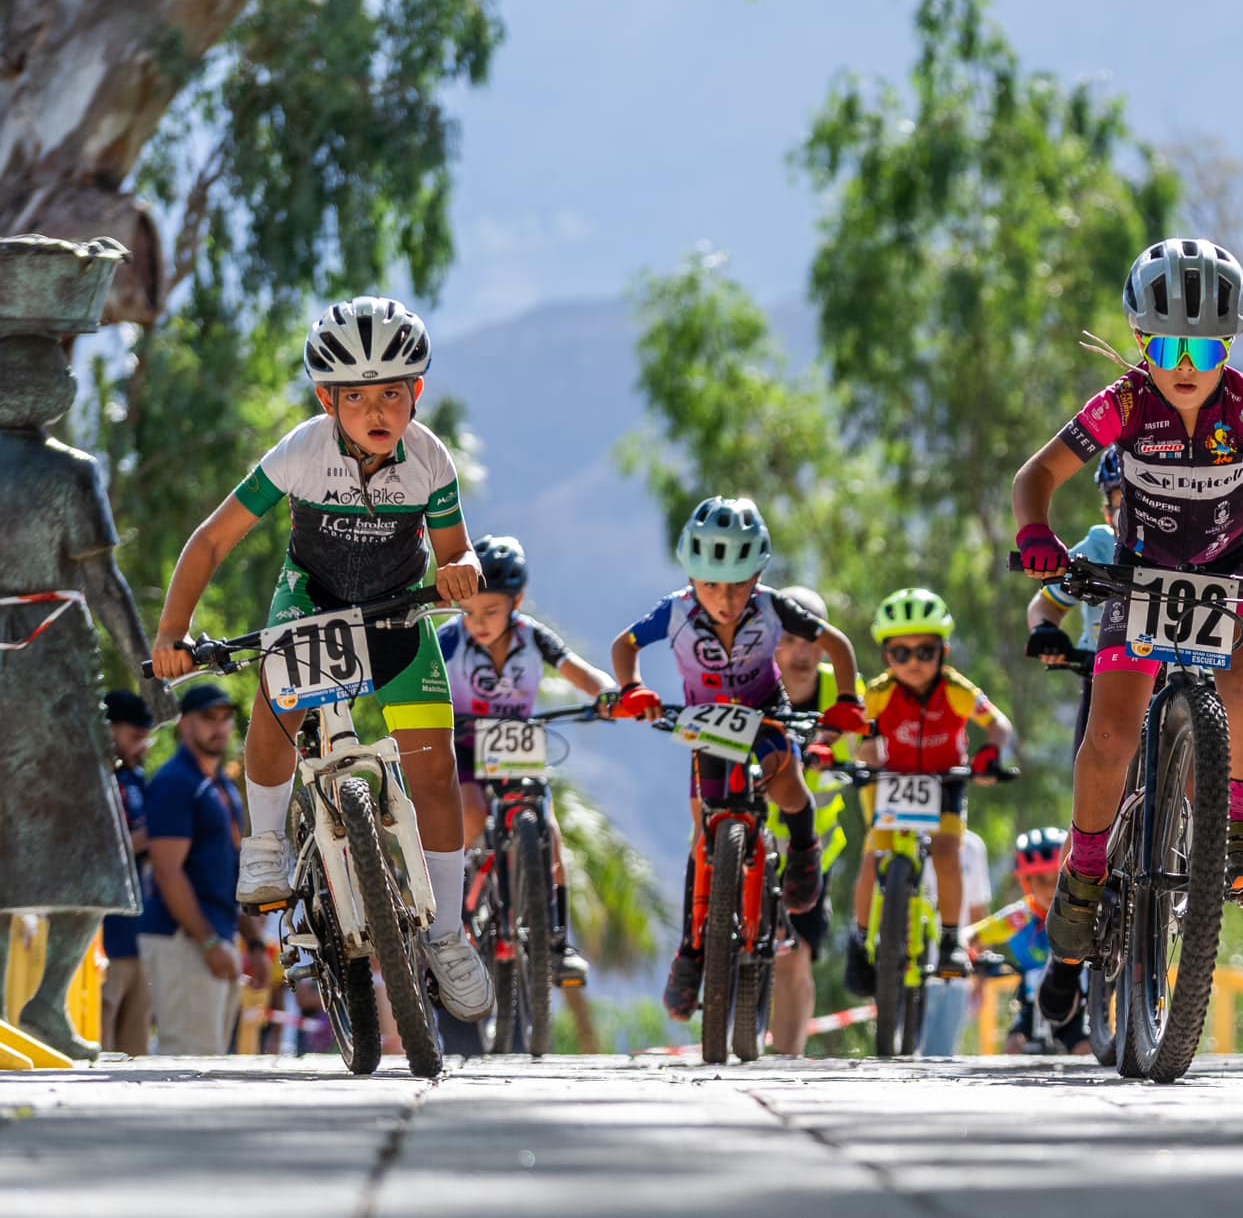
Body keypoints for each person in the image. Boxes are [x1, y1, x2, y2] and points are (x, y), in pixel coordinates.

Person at [1012, 237, 1243, 1029]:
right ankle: (1088, 871)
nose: (1185, 363)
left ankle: (1237, 828)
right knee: (1108, 739)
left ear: (1228, 344)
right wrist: (1037, 532)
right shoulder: (1123, 404)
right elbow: (1034, 477)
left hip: (1227, 568)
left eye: (1204, 347)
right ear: (1143, 341)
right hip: (1138, 573)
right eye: (1167, 345)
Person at [149, 297, 494, 1023]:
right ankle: (267, 842)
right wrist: (173, 633)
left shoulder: (430, 460)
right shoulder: (303, 451)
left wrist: (460, 567)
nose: (377, 410)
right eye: (357, 396)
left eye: (392, 394)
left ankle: (446, 936)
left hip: (397, 609)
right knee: (277, 706)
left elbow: (454, 547)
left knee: (434, 765)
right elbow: (213, 541)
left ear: (416, 394)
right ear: (325, 399)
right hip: (312, 603)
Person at [602, 496, 867, 1021]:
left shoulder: (774, 607)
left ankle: (804, 848)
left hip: (765, 710)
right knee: (705, 835)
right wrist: (630, 687)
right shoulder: (674, 610)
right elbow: (624, 644)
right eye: (711, 584)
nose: (725, 599)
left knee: (787, 782)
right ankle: (691, 949)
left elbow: (836, 644)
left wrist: (847, 703)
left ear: (760, 574)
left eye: (739, 584)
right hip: (706, 722)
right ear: (690, 576)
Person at [441, 534, 614, 987]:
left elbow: (577, 669)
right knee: (473, 817)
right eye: (471, 611)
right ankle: (456, 914)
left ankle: (556, 943)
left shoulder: (532, 637)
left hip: (516, 742)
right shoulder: (448, 640)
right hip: (463, 744)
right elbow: (416, 675)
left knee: (550, 834)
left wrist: (613, 694)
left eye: (491, 611)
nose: (478, 622)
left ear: (516, 601)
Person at [845, 588, 1014, 990]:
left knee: (947, 853)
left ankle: (953, 939)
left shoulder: (956, 689)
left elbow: (999, 724)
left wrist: (990, 754)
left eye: (925, 651)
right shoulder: (880, 692)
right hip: (892, 782)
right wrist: (856, 755)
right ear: (887, 656)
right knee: (873, 856)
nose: (914, 663)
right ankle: (859, 938)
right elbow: (853, 725)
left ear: (944, 650)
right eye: (901, 654)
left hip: (945, 782)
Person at [765, 585, 855, 1056]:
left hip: (815, 847)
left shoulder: (840, 691)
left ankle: (787, 1059)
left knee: (795, 955)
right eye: (789, 639)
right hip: (754, 842)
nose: (801, 652)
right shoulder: (755, 689)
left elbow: (873, 745)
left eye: (811, 640)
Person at [135, 685, 246, 1054]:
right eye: (207, 718)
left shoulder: (222, 785)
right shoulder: (174, 783)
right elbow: (167, 872)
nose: (219, 727)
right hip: (183, 938)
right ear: (184, 725)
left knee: (212, 1064)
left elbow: (231, 872)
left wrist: (257, 944)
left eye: (225, 717)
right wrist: (209, 942)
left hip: (215, 936)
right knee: (188, 1063)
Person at [1024, 448, 1123, 761]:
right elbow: (1046, 603)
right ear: (1108, 511)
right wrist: (1045, 630)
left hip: (1185, 681)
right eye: (1125, 500)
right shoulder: (1100, 545)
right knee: (1093, 770)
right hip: (1105, 679)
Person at [968, 827, 1090, 1055]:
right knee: (1013, 1046)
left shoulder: (1080, 914)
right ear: (1027, 884)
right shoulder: (1020, 916)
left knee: (1085, 1049)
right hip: (1030, 1006)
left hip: (1078, 1006)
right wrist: (966, 951)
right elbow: (976, 935)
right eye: (1041, 880)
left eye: (1057, 879)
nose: (1050, 889)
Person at [100, 690, 156, 1056]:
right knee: (100, 1032)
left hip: (140, 929)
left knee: (135, 1046)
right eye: (134, 737)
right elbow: (102, 846)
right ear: (111, 730)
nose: (143, 746)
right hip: (105, 932)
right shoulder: (97, 778)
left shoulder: (137, 778)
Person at [918, 827, 992, 1055]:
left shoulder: (972, 846)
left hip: (954, 972)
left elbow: (978, 913)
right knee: (904, 1052)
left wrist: (980, 975)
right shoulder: (909, 836)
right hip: (911, 969)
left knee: (942, 1053)